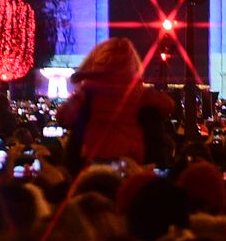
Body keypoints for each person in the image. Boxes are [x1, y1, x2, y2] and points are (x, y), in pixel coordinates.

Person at [57, 38, 174, 166]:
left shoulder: (87, 93)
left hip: (92, 165)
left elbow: (63, 118)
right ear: (133, 64)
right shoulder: (143, 96)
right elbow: (167, 108)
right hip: (132, 165)